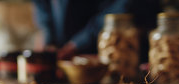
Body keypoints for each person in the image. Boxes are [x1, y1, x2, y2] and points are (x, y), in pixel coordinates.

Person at [32, 0, 160, 61]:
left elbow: (126, 5)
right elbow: (43, 7)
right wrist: (49, 40)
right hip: (68, 59)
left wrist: (79, 43)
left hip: (118, 54)